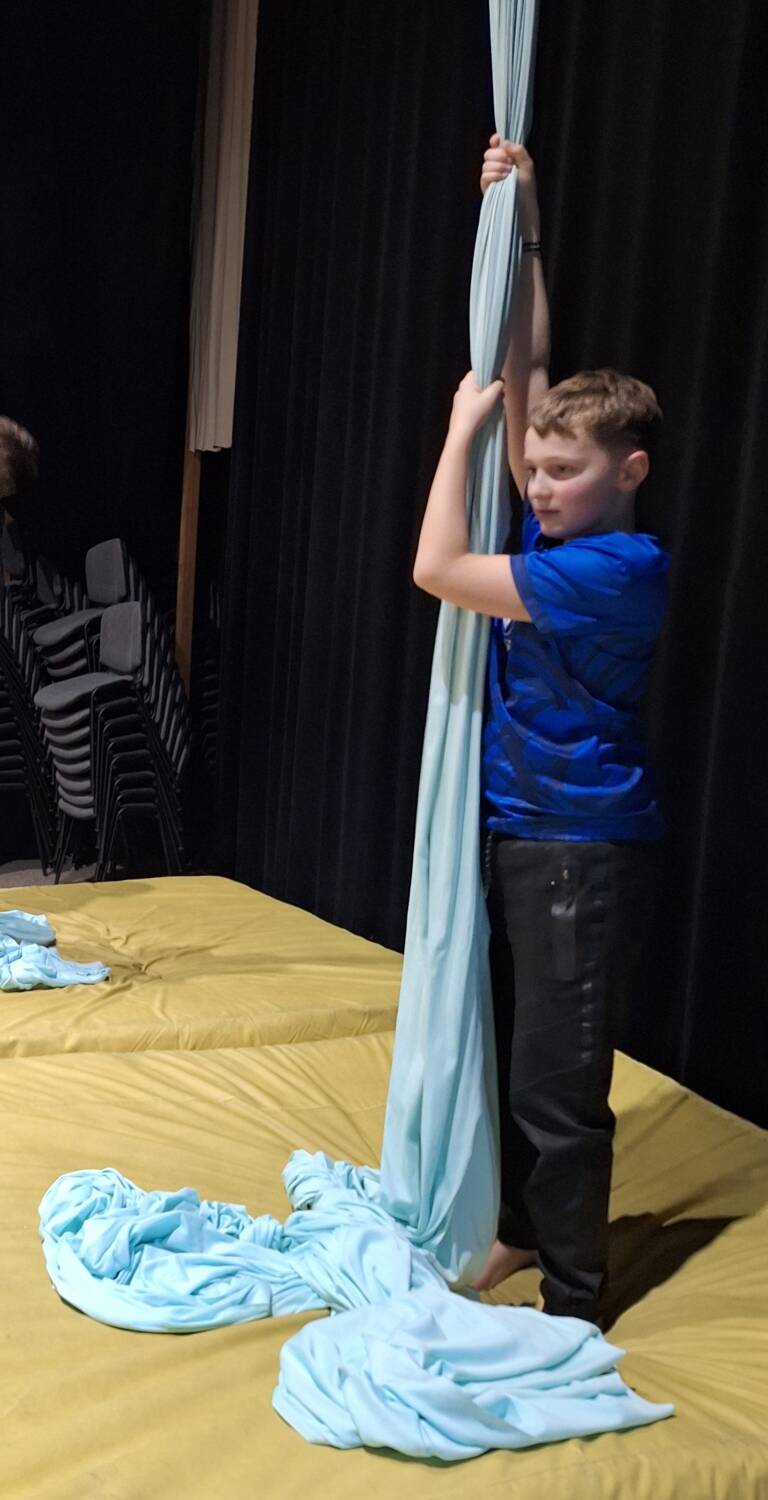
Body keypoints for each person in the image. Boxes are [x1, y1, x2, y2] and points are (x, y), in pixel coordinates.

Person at [413, 136, 670, 1326]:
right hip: (525, 829)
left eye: (564, 471)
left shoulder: (614, 568)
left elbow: (437, 569)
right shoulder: (565, 530)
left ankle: (576, 1298)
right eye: (535, 469)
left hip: (579, 847)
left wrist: (460, 435)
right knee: (515, 1056)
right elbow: (531, 371)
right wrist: (519, 220)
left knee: (559, 1088)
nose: (539, 487)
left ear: (631, 470)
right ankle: (523, 1230)